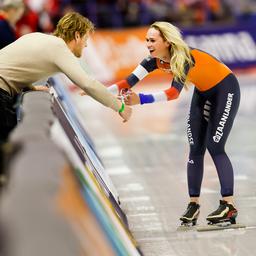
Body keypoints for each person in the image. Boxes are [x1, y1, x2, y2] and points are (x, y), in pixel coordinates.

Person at [107, 21, 240, 226]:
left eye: (152, 40)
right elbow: (128, 82)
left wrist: (140, 99)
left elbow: (173, 93)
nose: (148, 44)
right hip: (203, 92)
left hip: (225, 89)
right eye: (146, 40)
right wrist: (98, 91)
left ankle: (228, 206)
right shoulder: (153, 60)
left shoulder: (183, 57)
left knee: (215, 145)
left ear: (166, 42)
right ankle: (193, 205)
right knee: (195, 147)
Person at [0, 11, 132, 144]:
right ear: (77, 36)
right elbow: (88, 84)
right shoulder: (59, 48)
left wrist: (30, 86)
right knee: (9, 149)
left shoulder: (38, 37)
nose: (86, 45)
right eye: (85, 39)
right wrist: (120, 107)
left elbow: (16, 64)